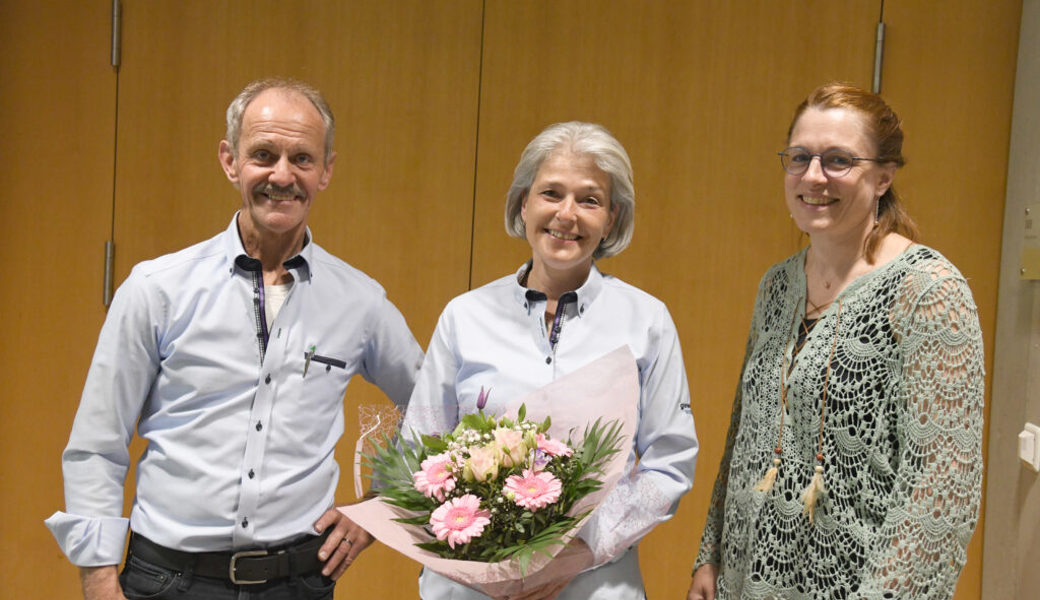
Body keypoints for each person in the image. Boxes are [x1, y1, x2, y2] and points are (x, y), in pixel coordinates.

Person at [44, 78, 424, 600]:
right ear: (230, 160)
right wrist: (98, 580)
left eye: (303, 159)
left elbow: (433, 405)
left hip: (299, 583)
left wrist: (379, 509)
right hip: (166, 581)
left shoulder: (361, 302)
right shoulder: (158, 289)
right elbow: (97, 445)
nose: (282, 176)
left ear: (327, 171)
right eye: (263, 154)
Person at [686, 83, 985, 600]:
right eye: (799, 158)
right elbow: (746, 433)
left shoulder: (928, 292)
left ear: (884, 176)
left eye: (838, 160)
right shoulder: (777, 285)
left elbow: (940, 492)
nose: (813, 176)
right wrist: (709, 555)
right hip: (742, 579)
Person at [399, 121, 699, 600]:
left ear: (612, 218)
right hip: (472, 585)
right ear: (523, 204)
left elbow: (670, 463)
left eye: (589, 200)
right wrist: (479, 555)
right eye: (551, 193)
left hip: (596, 584)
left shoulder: (647, 321)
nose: (567, 214)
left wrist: (580, 550)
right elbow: (418, 451)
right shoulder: (465, 316)